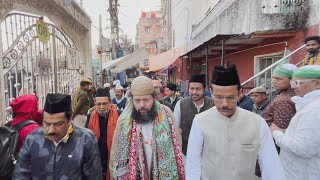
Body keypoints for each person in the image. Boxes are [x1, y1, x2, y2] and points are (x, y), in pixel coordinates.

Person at [186, 65, 285, 180]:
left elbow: (271, 164)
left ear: (239, 93)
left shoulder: (257, 122)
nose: (224, 104)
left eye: (231, 97)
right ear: (211, 92)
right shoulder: (200, 120)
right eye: (218, 97)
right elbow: (193, 162)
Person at [109, 76, 185, 179]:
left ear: (153, 98)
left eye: (146, 100)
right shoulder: (124, 120)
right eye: (137, 100)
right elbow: (116, 154)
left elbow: (177, 145)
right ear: (132, 99)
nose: (142, 105)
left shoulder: (166, 114)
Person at [13, 93, 102, 179]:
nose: (51, 130)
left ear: (70, 119)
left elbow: (93, 175)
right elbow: (21, 174)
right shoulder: (32, 138)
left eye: (58, 124)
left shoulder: (85, 139)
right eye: (47, 123)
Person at [270, 65, 320, 180]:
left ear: (317, 83)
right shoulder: (310, 105)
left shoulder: (315, 109)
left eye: (298, 83)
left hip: (304, 173)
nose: (294, 87)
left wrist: (277, 133)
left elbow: (302, 149)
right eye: (293, 83)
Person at [174, 74, 214, 159]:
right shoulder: (181, 104)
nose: (194, 92)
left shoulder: (213, 104)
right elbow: (175, 129)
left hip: (209, 155)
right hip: (186, 154)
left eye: (198, 89)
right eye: (192, 88)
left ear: (204, 89)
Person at [86, 88, 119, 180]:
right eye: (98, 104)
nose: (101, 107)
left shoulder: (119, 116)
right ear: (95, 104)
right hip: (97, 156)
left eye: (104, 104)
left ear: (110, 102)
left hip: (114, 157)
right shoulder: (90, 117)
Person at [264, 63, 297, 129]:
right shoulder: (287, 94)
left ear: (292, 80)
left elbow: (280, 129)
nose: (273, 81)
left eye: (278, 78)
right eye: (272, 78)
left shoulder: (283, 101)